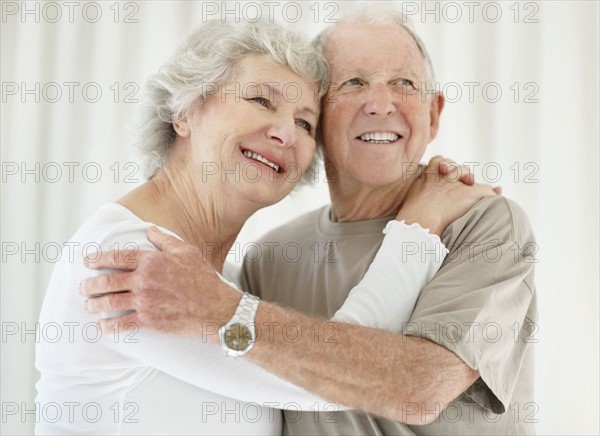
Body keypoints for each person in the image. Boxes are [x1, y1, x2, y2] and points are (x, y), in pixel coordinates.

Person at [36, 18, 497, 435]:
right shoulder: (128, 259)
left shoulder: (224, 286)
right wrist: (419, 223)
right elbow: (337, 382)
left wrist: (225, 309)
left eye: (304, 122)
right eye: (261, 100)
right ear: (185, 110)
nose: (285, 134)